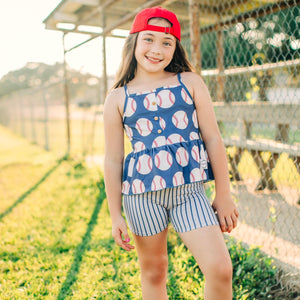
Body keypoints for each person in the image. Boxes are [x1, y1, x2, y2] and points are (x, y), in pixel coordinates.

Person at [103, 6, 239, 300]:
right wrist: (116, 214)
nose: (156, 49)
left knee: (219, 268)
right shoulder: (117, 97)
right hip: (141, 197)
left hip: (189, 193)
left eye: (166, 42)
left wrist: (223, 193)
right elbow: (113, 159)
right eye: (148, 39)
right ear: (134, 43)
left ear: (175, 47)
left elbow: (213, 138)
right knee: (154, 272)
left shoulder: (189, 82)